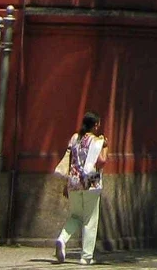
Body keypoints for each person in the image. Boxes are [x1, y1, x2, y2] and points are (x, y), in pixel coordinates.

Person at [54, 111, 105, 265]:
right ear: (95, 125)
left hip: (74, 181)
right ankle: (86, 256)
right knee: (90, 219)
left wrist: (66, 184)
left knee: (75, 215)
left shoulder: (75, 138)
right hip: (91, 182)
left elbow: (70, 162)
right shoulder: (96, 140)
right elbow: (101, 161)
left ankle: (62, 239)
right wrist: (106, 146)